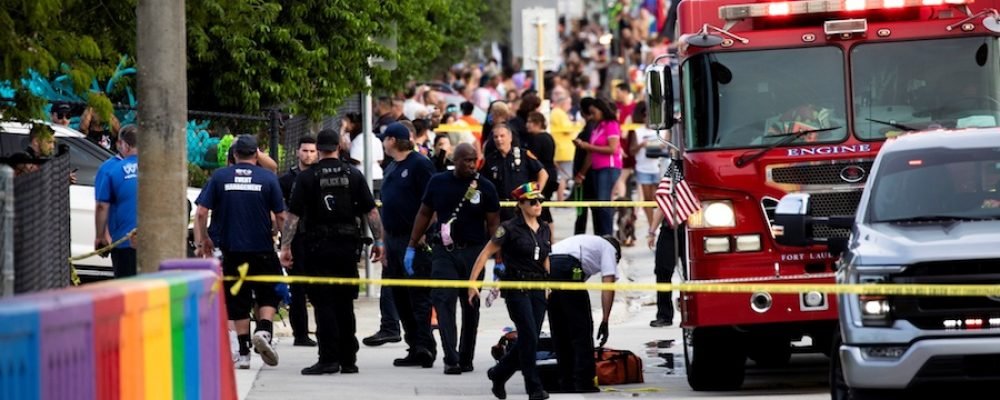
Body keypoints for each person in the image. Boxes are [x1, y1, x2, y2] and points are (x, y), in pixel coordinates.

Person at [279, 129, 385, 375]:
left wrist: (285, 247)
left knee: (323, 303)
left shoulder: (307, 178)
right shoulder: (353, 175)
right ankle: (348, 359)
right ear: (338, 146)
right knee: (345, 303)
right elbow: (371, 212)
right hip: (347, 248)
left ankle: (328, 358)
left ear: (318, 148)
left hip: (318, 248)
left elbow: (292, 217)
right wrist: (379, 242)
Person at [408, 142, 501, 375]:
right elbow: (424, 213)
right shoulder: (438, 182)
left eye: (474, 160)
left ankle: (466, 357)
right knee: (442, 301)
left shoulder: (485, 187)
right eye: (467, 160)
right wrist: (411, 244)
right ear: (455, 160)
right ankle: (451, 357)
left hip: (474, 252)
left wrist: (499, 259)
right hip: (444, 252)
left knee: (471, 305)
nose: (472, 164)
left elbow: (493, 225)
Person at [194, 135, 286, 370]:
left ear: (234, 155)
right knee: (269, 292)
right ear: (256, 154)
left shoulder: (219, 177)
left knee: (237, 300)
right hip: (262, 249)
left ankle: (243, 353)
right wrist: (286, 242)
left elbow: (202, 212)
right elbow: (281, 216)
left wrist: (203, 239)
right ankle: (264, 330)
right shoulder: (268, 178)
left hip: (230, 250)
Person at [468, 182, 552, 400]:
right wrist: (472, 284)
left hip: (538, 288)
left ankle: (499, 373)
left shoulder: (544, 227)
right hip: (516, 288)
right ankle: (534, 388)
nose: (537, 205)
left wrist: (548, 284)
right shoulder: (509, 228)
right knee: (529, 336)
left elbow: (545, 257)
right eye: (532, 202)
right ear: (521, 204)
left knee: (529, 339)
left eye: (539, 201)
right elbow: (485, 253)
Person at [378, 123, 438, 368]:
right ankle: (413, 345)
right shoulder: (391, 167)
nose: (383, 143)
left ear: (392, 140)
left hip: (413, 239)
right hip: (392, 238)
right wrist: (382, 242)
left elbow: (432, 203)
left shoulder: (419, 164)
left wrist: (421, 234)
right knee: (400, 296)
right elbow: (387, 207)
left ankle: (425, 346)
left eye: (385, 139)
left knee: (418, 296)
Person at [548, 234, 621, 393]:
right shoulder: (608, 248)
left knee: (561, 329)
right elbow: (608, 286)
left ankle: (566, 381)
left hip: (549, 265)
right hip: (568, 266)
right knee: (582, 329)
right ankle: (584, 382)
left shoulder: (586, 245)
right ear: (616, 254)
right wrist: (605, 320)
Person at [278, 136, 319, 347]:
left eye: (312, 151)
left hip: (319, 239)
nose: (308, 155)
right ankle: (300, 334)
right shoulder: (286, 181)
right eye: (305, 150)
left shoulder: (321, 177)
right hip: (297, 240)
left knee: (319, 289)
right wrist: (285, 242)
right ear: (297, 152)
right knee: (298, 289)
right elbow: (279, 213)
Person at [94, 125, 139, 277]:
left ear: (124, 145)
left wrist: (101, 236)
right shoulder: (158, 168)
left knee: (129, 291)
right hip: (155, 242)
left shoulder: (112, 170)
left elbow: (102, 206)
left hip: (124, 243)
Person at [573, 98, 622, 236]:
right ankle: (602, 234)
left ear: (602, 110)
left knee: (603, 203)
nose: (592, 116)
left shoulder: (611, 124)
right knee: (600, 204)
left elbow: (613, 148)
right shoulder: (597, 127)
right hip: (597, 168)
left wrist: (588, 146)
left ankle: (607, 235)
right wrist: (582, 174)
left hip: (609, 167)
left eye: (594, 113)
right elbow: (591, 152)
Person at [481, 124, 548, 221]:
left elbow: (543, 173)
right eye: (496, 137)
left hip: (521, 208)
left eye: (502, 136)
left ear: (510, 137)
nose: (499, 140)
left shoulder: (523, 155)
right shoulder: (490, 160)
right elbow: (481, 182)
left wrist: (535, 194)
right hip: (499, 209)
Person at [648, 206, 686, 327]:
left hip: (691, 227)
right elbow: (662, 206)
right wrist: (652, 231)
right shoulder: (668, 186)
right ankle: (664, 315)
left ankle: (690, 314)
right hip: (668, 227)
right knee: (662, 270)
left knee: (692, 273)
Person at [524, 112, 557, 225]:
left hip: (543, 177)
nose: (527, 124)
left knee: (542, 210)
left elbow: (533, 158)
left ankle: (548, 238)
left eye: (530, 122)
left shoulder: (537, 139)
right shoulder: (548, 137)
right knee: (545, 208)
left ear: (538, 123)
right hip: (551, 174)